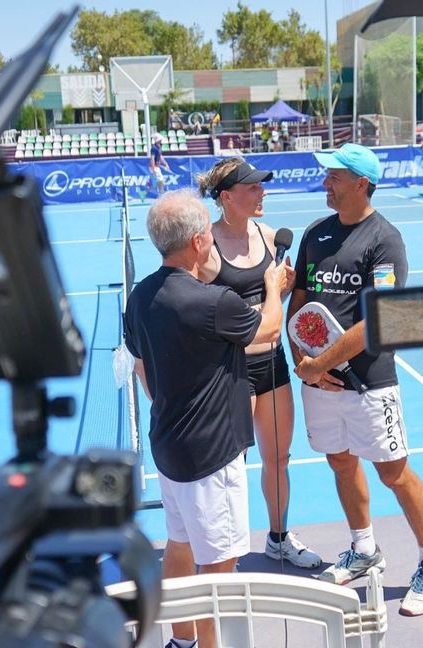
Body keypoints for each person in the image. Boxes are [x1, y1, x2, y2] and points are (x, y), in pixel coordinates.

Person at [289, 143, 423, 617]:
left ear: (361, 183)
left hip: (370, 381)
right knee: (340, 462)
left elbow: (377, 320)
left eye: (334, 177)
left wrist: (320, 366)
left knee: (393, 472)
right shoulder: (315, 234)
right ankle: (364, 549)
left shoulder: (386, 240)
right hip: (318, 380)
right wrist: (305, 362)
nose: (326, 184)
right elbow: (300, 304)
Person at [124, 189, 290, 648]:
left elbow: (140, 362)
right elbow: (270, 328)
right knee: (218, 566)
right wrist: (274, 288)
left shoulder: (140, 297)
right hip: (212, 455)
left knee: (179, 545)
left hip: (169, 446)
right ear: (199, 242)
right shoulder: (213, 302)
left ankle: (180, 641)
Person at [196, 157, 320, 570]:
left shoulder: (270, 238)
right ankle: (223, 550)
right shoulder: (205, 247)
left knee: (279, 458)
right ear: (227, 197)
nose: (262, 192)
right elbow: (193, 311)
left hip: (273, 366)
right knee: (231, 467)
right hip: (228, 371)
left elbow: (271, 307)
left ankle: (278, 537)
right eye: (252, 188)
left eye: (261, 186)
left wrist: (278, 291)